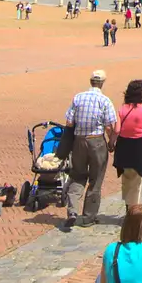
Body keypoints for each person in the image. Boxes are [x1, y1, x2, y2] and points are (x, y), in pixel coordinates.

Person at [61, 69, 118, 229]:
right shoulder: (105, 100)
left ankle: (72, 210)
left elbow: (69, 122)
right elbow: (109, 126)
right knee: (95, 180)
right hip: (97, 141)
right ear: (102, 83)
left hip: (79, 141)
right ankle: (88, 217)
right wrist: (111, 143)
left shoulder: (78, 97)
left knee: (77, 175)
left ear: (91, 82)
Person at [115, 79, 142, 212]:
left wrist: (112, 142)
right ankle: (132, 209)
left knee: (126, 177)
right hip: (139, 146)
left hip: (123, 145)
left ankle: (129, 205)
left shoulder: (122, 109)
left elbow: (117, 130)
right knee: (136, 180)